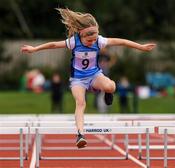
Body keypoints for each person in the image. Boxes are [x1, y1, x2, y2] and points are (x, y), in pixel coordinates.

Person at [21, 8, 156, 148]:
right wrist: (35, 49)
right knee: (80, 103)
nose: (92, 42)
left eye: (94, 40)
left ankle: (108, 92)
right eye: (89, 40)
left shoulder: (99, 41)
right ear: (81, 35)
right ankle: (80, 135)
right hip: (78, 80)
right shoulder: (74, 42)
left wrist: (141, 47)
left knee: (111, 86)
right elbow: (54, 44)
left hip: (94, 75)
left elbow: (121, 42)